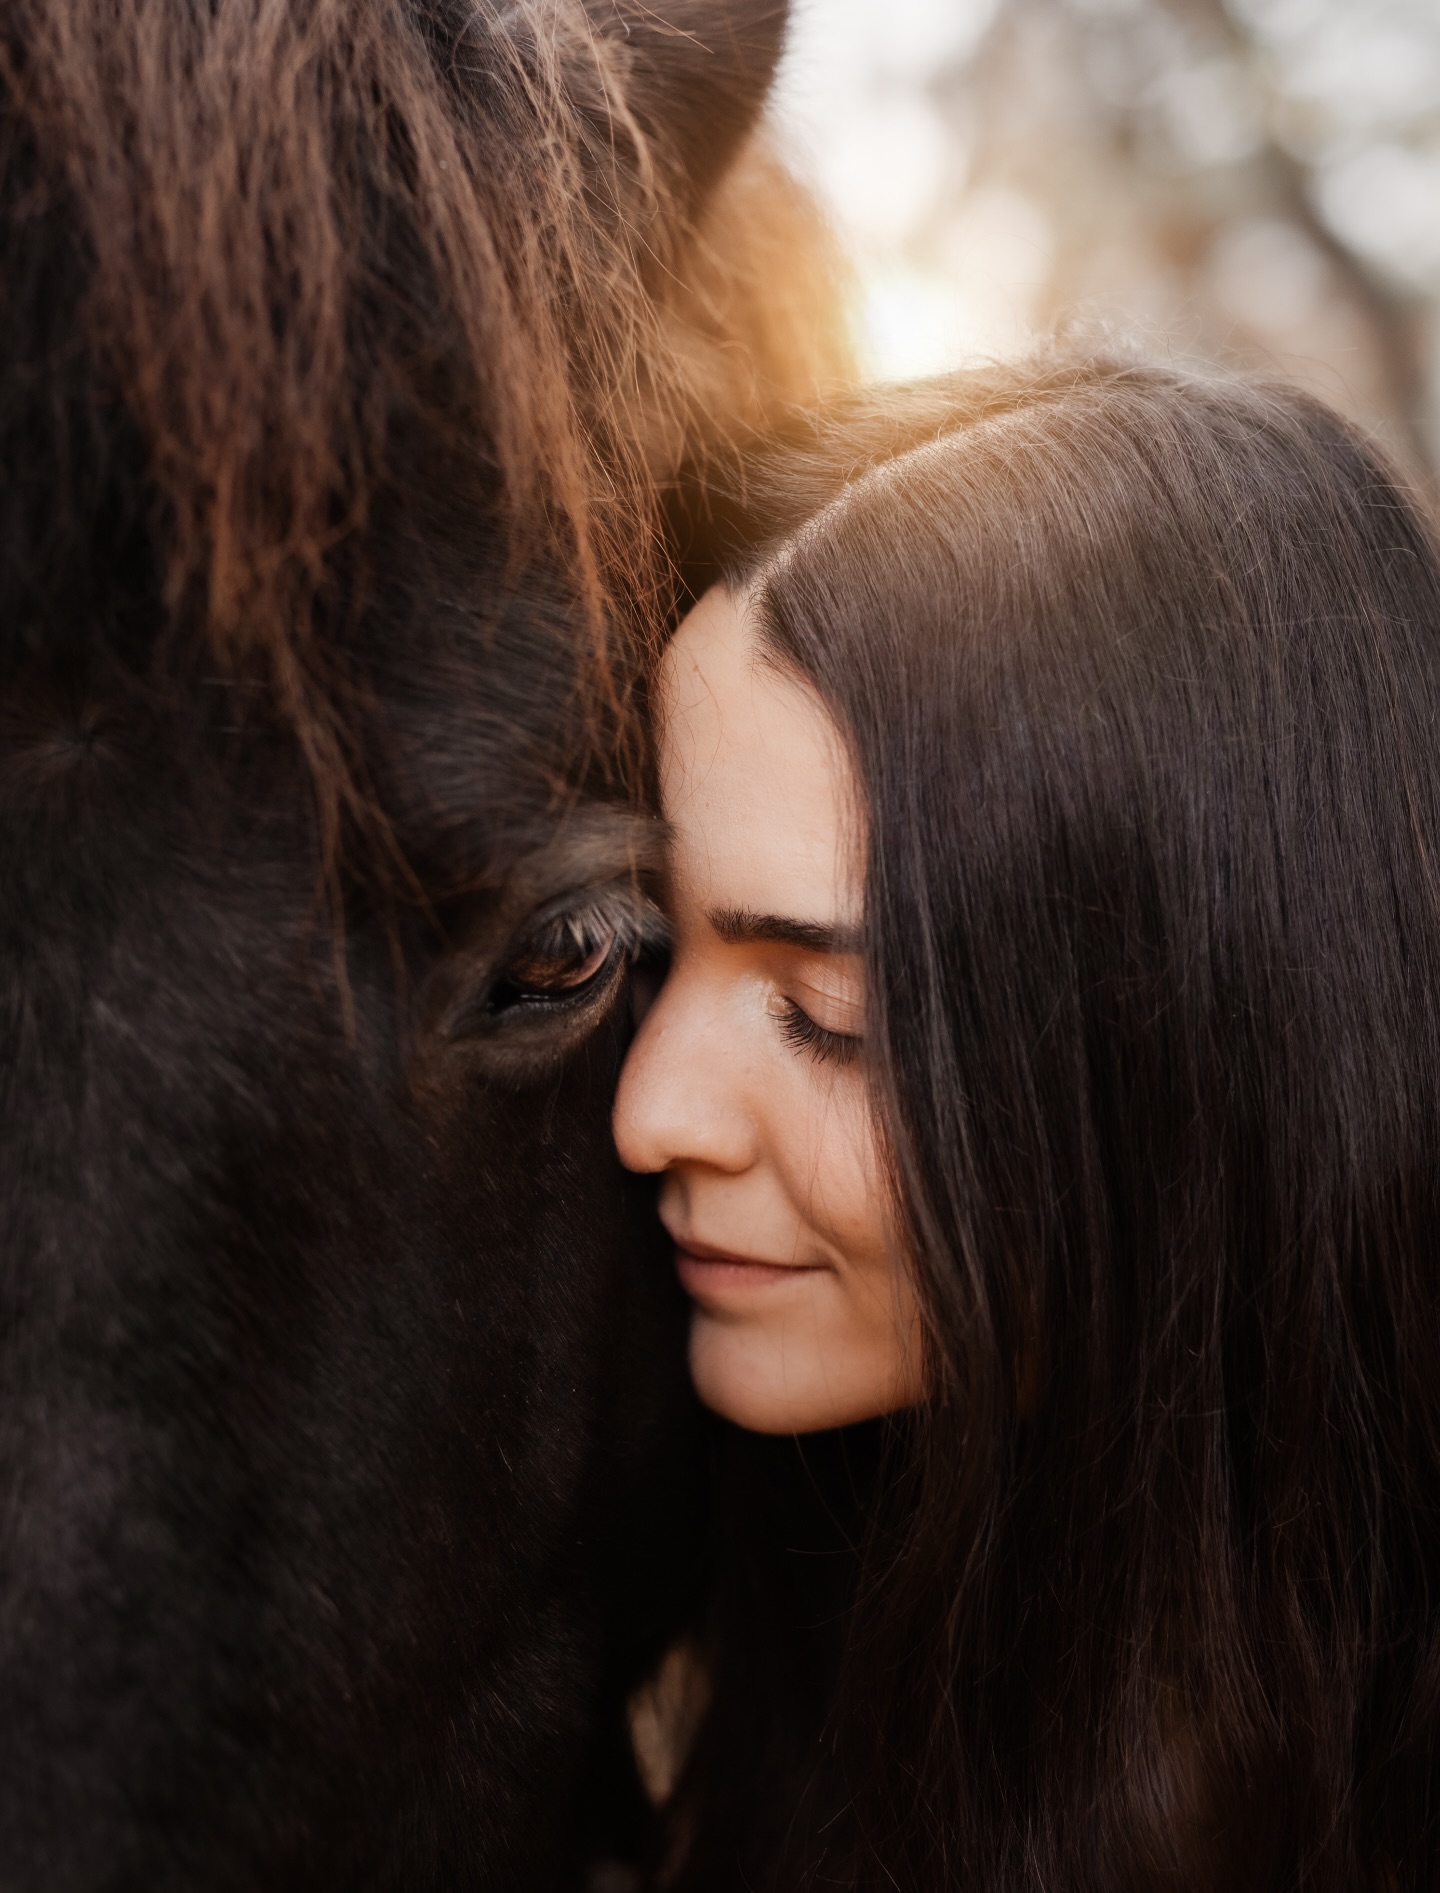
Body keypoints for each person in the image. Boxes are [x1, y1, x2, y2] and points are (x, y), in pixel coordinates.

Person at [612, 353, 1440, 1892]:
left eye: (829, 1013)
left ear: (1193, 1034)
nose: (650, 1112)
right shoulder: (790, 1660)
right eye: (650, 951)